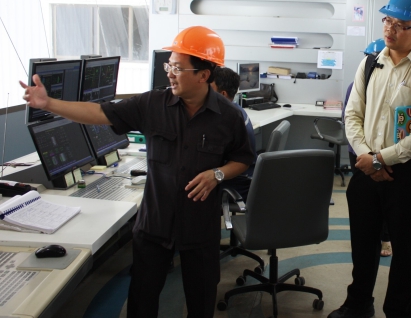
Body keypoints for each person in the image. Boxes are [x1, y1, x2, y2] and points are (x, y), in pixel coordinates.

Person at [20, 25, 255, 317]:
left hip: (200, 229)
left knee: (201, 303)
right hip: (154, 226)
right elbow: (100, 113)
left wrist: (217, 174)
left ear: (203, 75)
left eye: (178, 68)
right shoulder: (152, 104)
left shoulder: (229, 116)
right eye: (169, 66)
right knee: (142, 301)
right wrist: (48, 103)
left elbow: (242, 159)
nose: (170, 73)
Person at [329, 0, 411, 318]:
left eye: (400, 24)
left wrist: (382, 159)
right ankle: (358, 304)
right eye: (387, 21)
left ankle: (399, 311)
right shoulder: (369, 64)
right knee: (363, 243)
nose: (390, 29)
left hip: (406, 173)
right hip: (366, 167)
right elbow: (353, 115)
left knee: (405, 251)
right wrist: (368, 158)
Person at [343, 38, 393, 257]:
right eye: (368, 58)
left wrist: (377, 159)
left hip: (384, 154)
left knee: (385, 201)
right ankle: (366, 240)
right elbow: (350, 118)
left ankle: (385, 238)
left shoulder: (394, 85)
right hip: (359, 152)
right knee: (364, 203)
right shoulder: (354, 86)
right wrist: (367, 155)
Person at [211, 66, 257, 201]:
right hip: (248, 177)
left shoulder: (226, 119)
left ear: (223, 94)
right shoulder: (236, 109)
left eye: (209, 89)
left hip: (237, 183)